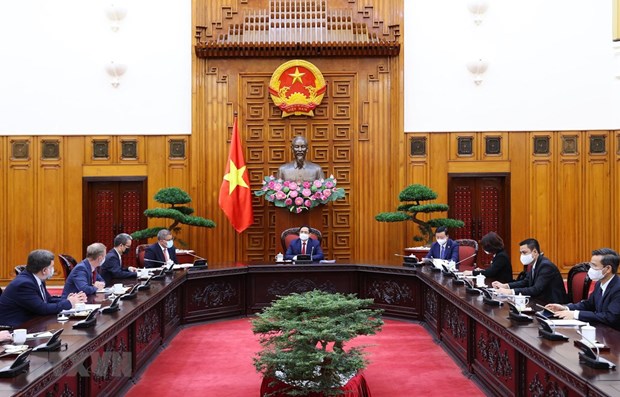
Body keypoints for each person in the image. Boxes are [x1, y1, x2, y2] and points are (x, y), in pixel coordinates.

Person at [0, 249, 86, 327]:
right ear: (44, 270)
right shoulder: (24, 284)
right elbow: (42, 309)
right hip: (14, 327)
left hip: (31, 321)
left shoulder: (37, 278)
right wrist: (69, 303)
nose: (53, 269)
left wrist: (69, 299)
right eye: (52, 267)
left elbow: (48, 299)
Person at [546, 248, 620, 330]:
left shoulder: (618, 288)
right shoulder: (599, 283)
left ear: (608, 269)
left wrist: (576, 314)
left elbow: (610, 317)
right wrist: (566, 308)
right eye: (590, 265)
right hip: (602, 330)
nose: (590, 269)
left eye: (594, 265)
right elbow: (588, 304)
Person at [492, 238, 568, 304]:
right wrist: (505, 286)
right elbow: (525, 282)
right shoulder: (534, 264)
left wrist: (510, 292)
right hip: (539, 301)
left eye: (524, 252)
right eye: (520, 253)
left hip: (552, 304)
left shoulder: (546, 266)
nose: (522, 255)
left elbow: (536, 289)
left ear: (534, 252)